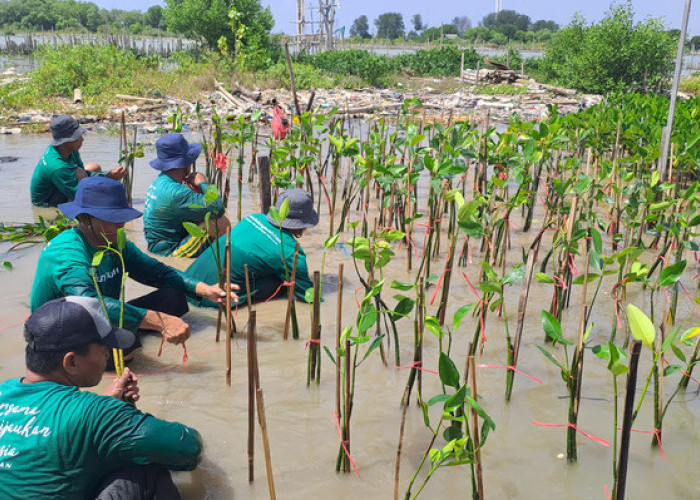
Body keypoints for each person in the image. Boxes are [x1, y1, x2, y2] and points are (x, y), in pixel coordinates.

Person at [0, 296, 202, 499]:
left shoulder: (4, 390)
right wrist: (112, 413)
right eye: (104, 350)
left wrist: (108, 404)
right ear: (71, 362)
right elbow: (188, 446)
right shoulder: (96, 413)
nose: (108, 355)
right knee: (145, 469)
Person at [30, 177, 239, 355]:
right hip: (64, 331)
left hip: (101, 315)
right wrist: (160, 322)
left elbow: (158, 271)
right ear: (84, 218)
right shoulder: (68, 252)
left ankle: (132, 332)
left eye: (121, 220)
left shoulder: (115, 242)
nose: (120, 226)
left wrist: (204, 289)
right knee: (127, 345)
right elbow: (89, 303)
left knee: (174, 298)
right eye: (112, 220)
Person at [186, 188, 318, 305]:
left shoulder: (254, 217)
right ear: (302, 224)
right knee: (283, 284)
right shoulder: (291, 252)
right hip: (214, 299)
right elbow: (308, 297)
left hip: (187, 284)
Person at [143, 132, 230, 258]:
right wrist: (203, 183)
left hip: (155, 247)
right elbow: (218, 207)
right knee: (219, 222)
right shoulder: (177, 192)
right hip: (170, 251)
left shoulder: (160, 181)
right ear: (185, 163)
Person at [30, 114, 125, 207]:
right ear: (66, 141)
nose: (82, 139)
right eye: (77, 137)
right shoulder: (57, 166)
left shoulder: (68, 150)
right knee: (93, 201)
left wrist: (108, 175)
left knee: (94, 167)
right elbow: (80, 196)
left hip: (61, 184)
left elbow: (83, 172)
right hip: (47, 202)